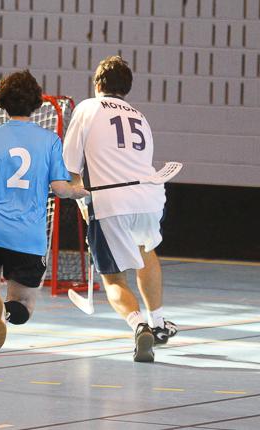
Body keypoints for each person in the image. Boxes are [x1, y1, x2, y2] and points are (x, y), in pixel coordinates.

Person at [0, 70, 87, 387]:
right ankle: (6, 312)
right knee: (24, 305)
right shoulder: (49, 141)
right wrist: (79, 191)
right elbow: (60, 189)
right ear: (36, 102)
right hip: (26, 237)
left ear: (2, 102)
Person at [62, 56, 177, 363]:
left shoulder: (87, 108)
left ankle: (139, 326)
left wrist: (82, 202)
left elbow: (70, 169)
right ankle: (158, 322)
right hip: (150, 197)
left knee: (113, 279)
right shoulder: (140, 116)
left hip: (111, 202)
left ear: (97, 83)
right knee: (145, 250)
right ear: (126, 88)